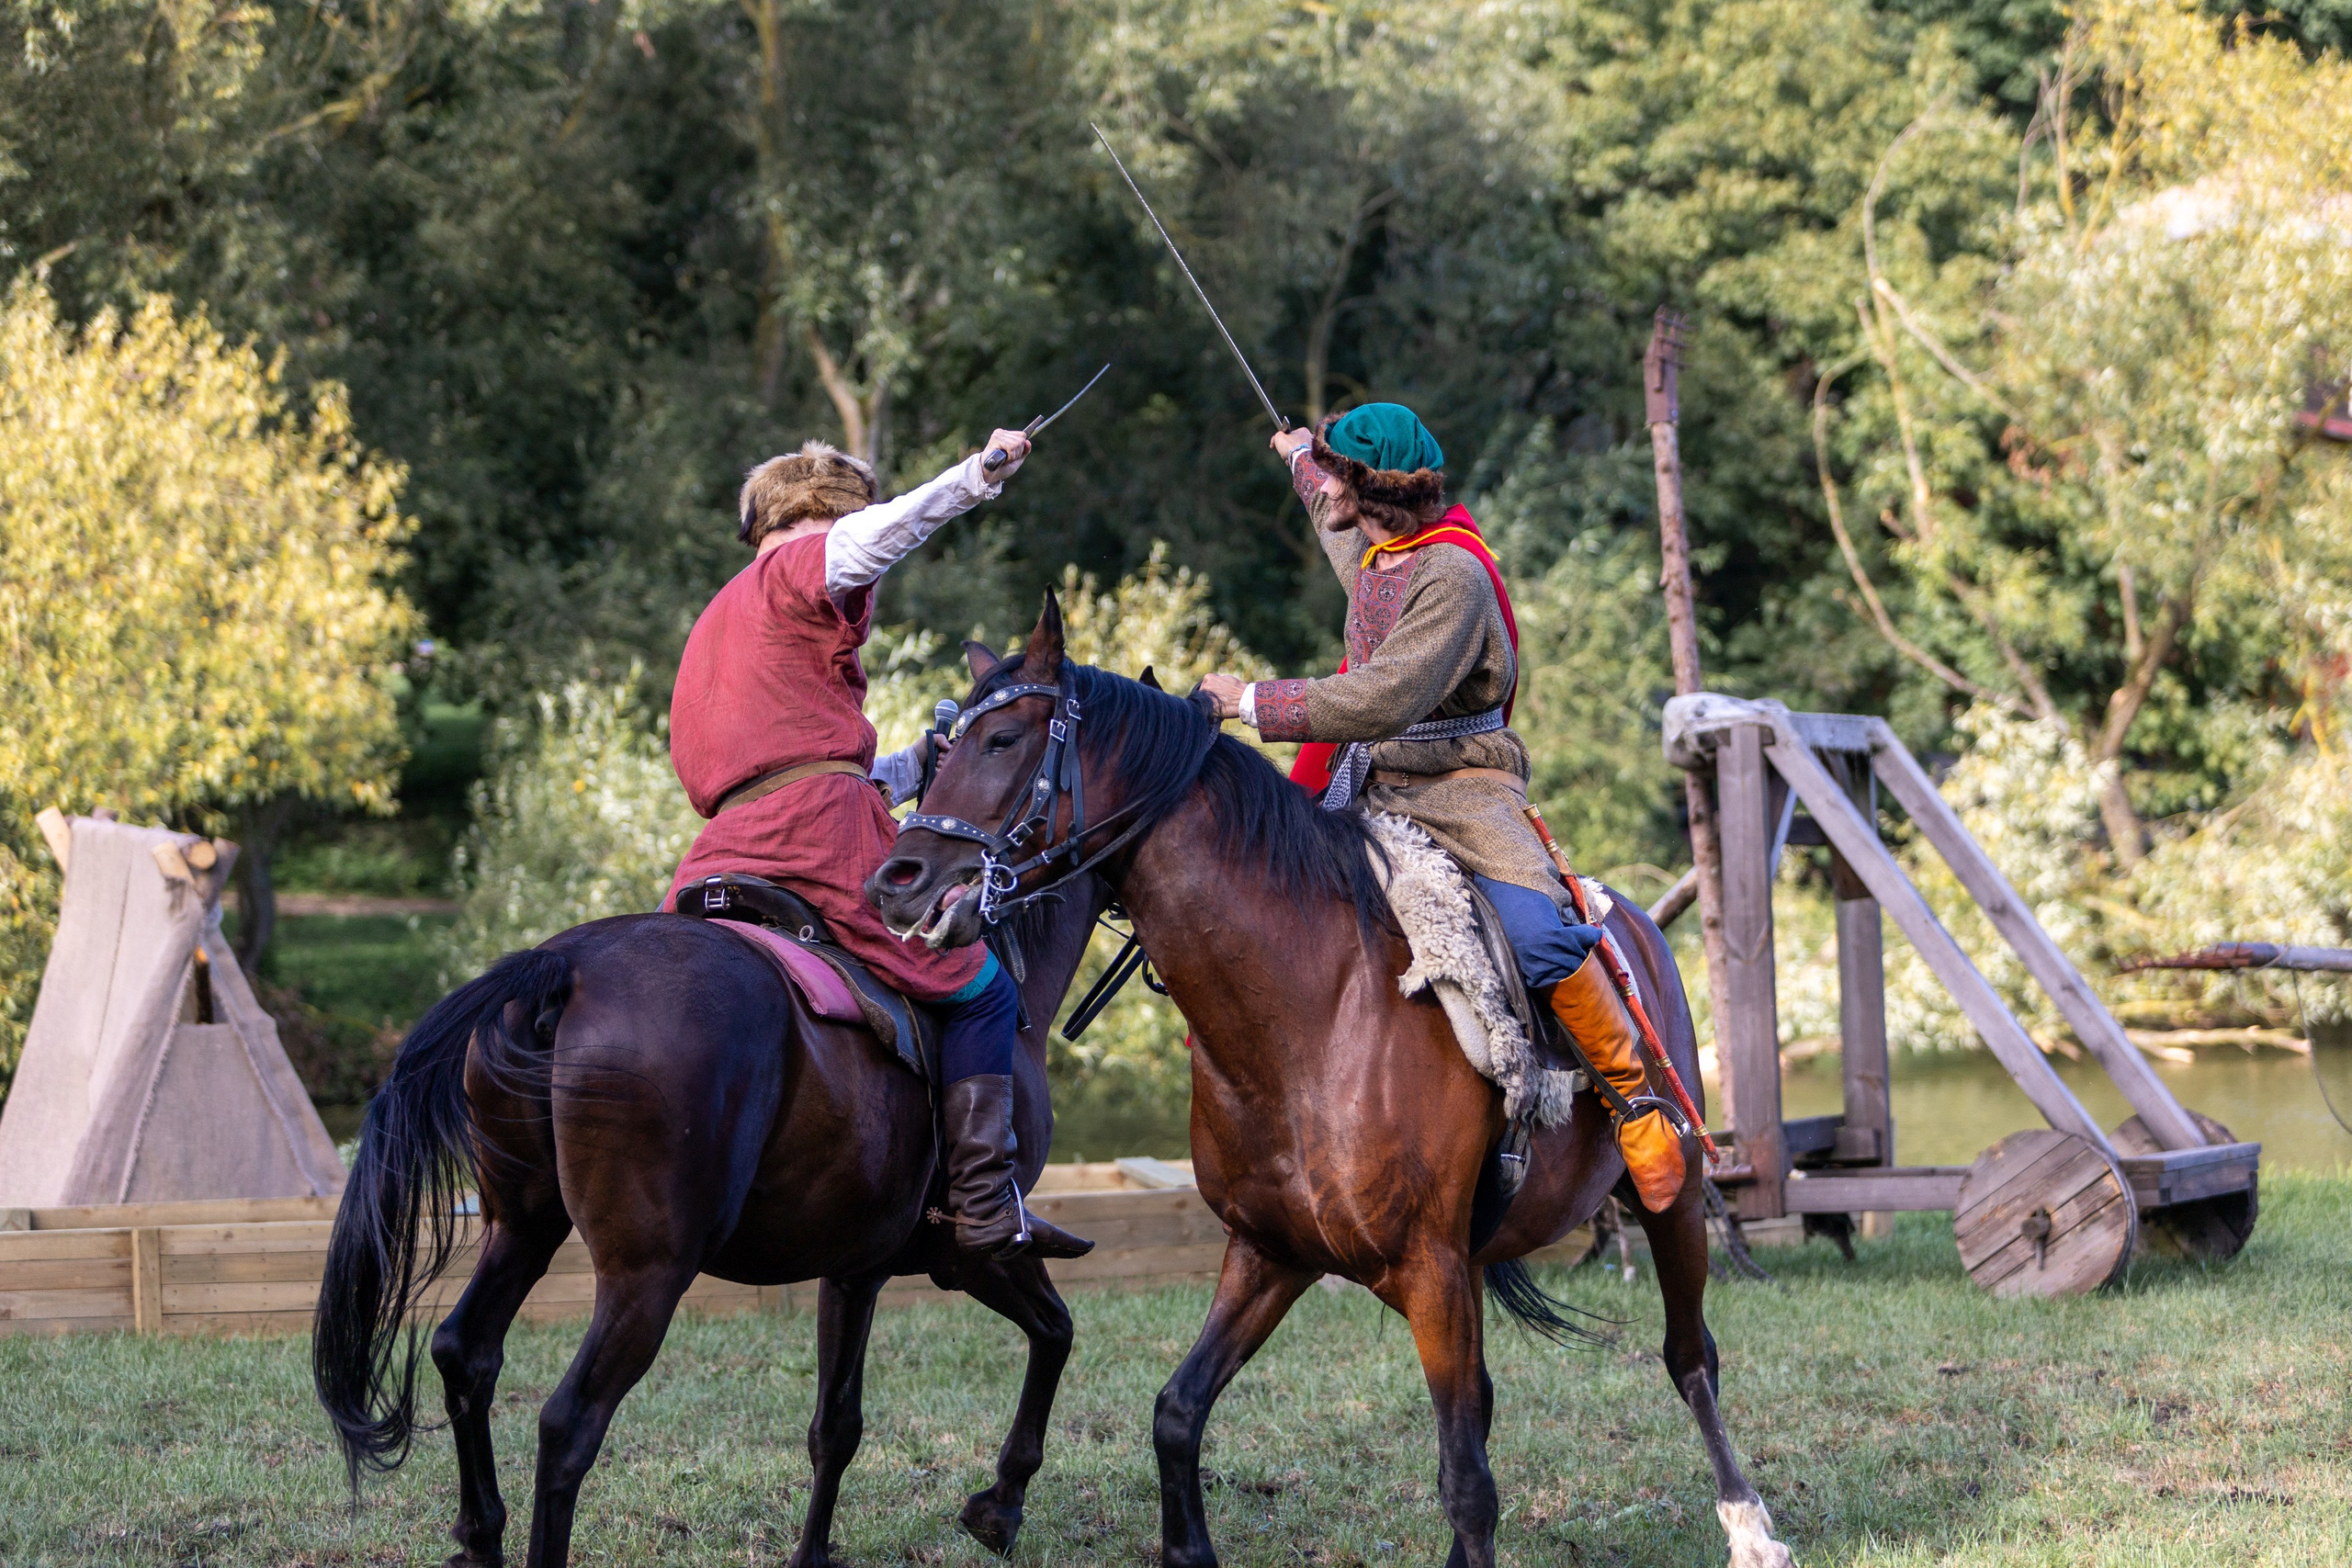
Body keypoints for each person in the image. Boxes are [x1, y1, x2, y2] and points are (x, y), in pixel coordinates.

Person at [1196, 403, 1685, 1213]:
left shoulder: (1451, 575)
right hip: (1375, 779)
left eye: (1342, 480)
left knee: (1534, 937)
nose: (1333, 495)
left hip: (1463, 789)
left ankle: (1634, 1101)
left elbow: (1382, 695)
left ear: (1377, 492)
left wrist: (1250, 700)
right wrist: (1296, 459)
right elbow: (1334, 519)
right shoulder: (1390, 538)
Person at [664, 434, 1089, 1259]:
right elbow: (882, 532)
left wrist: (907, 768)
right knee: (978, 985)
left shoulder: (722, 614)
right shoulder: (802, 566)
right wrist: (979, 474)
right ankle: (981, 1207)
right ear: (824, 515)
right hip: (815, 837)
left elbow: (782, 760)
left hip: (723, 843)